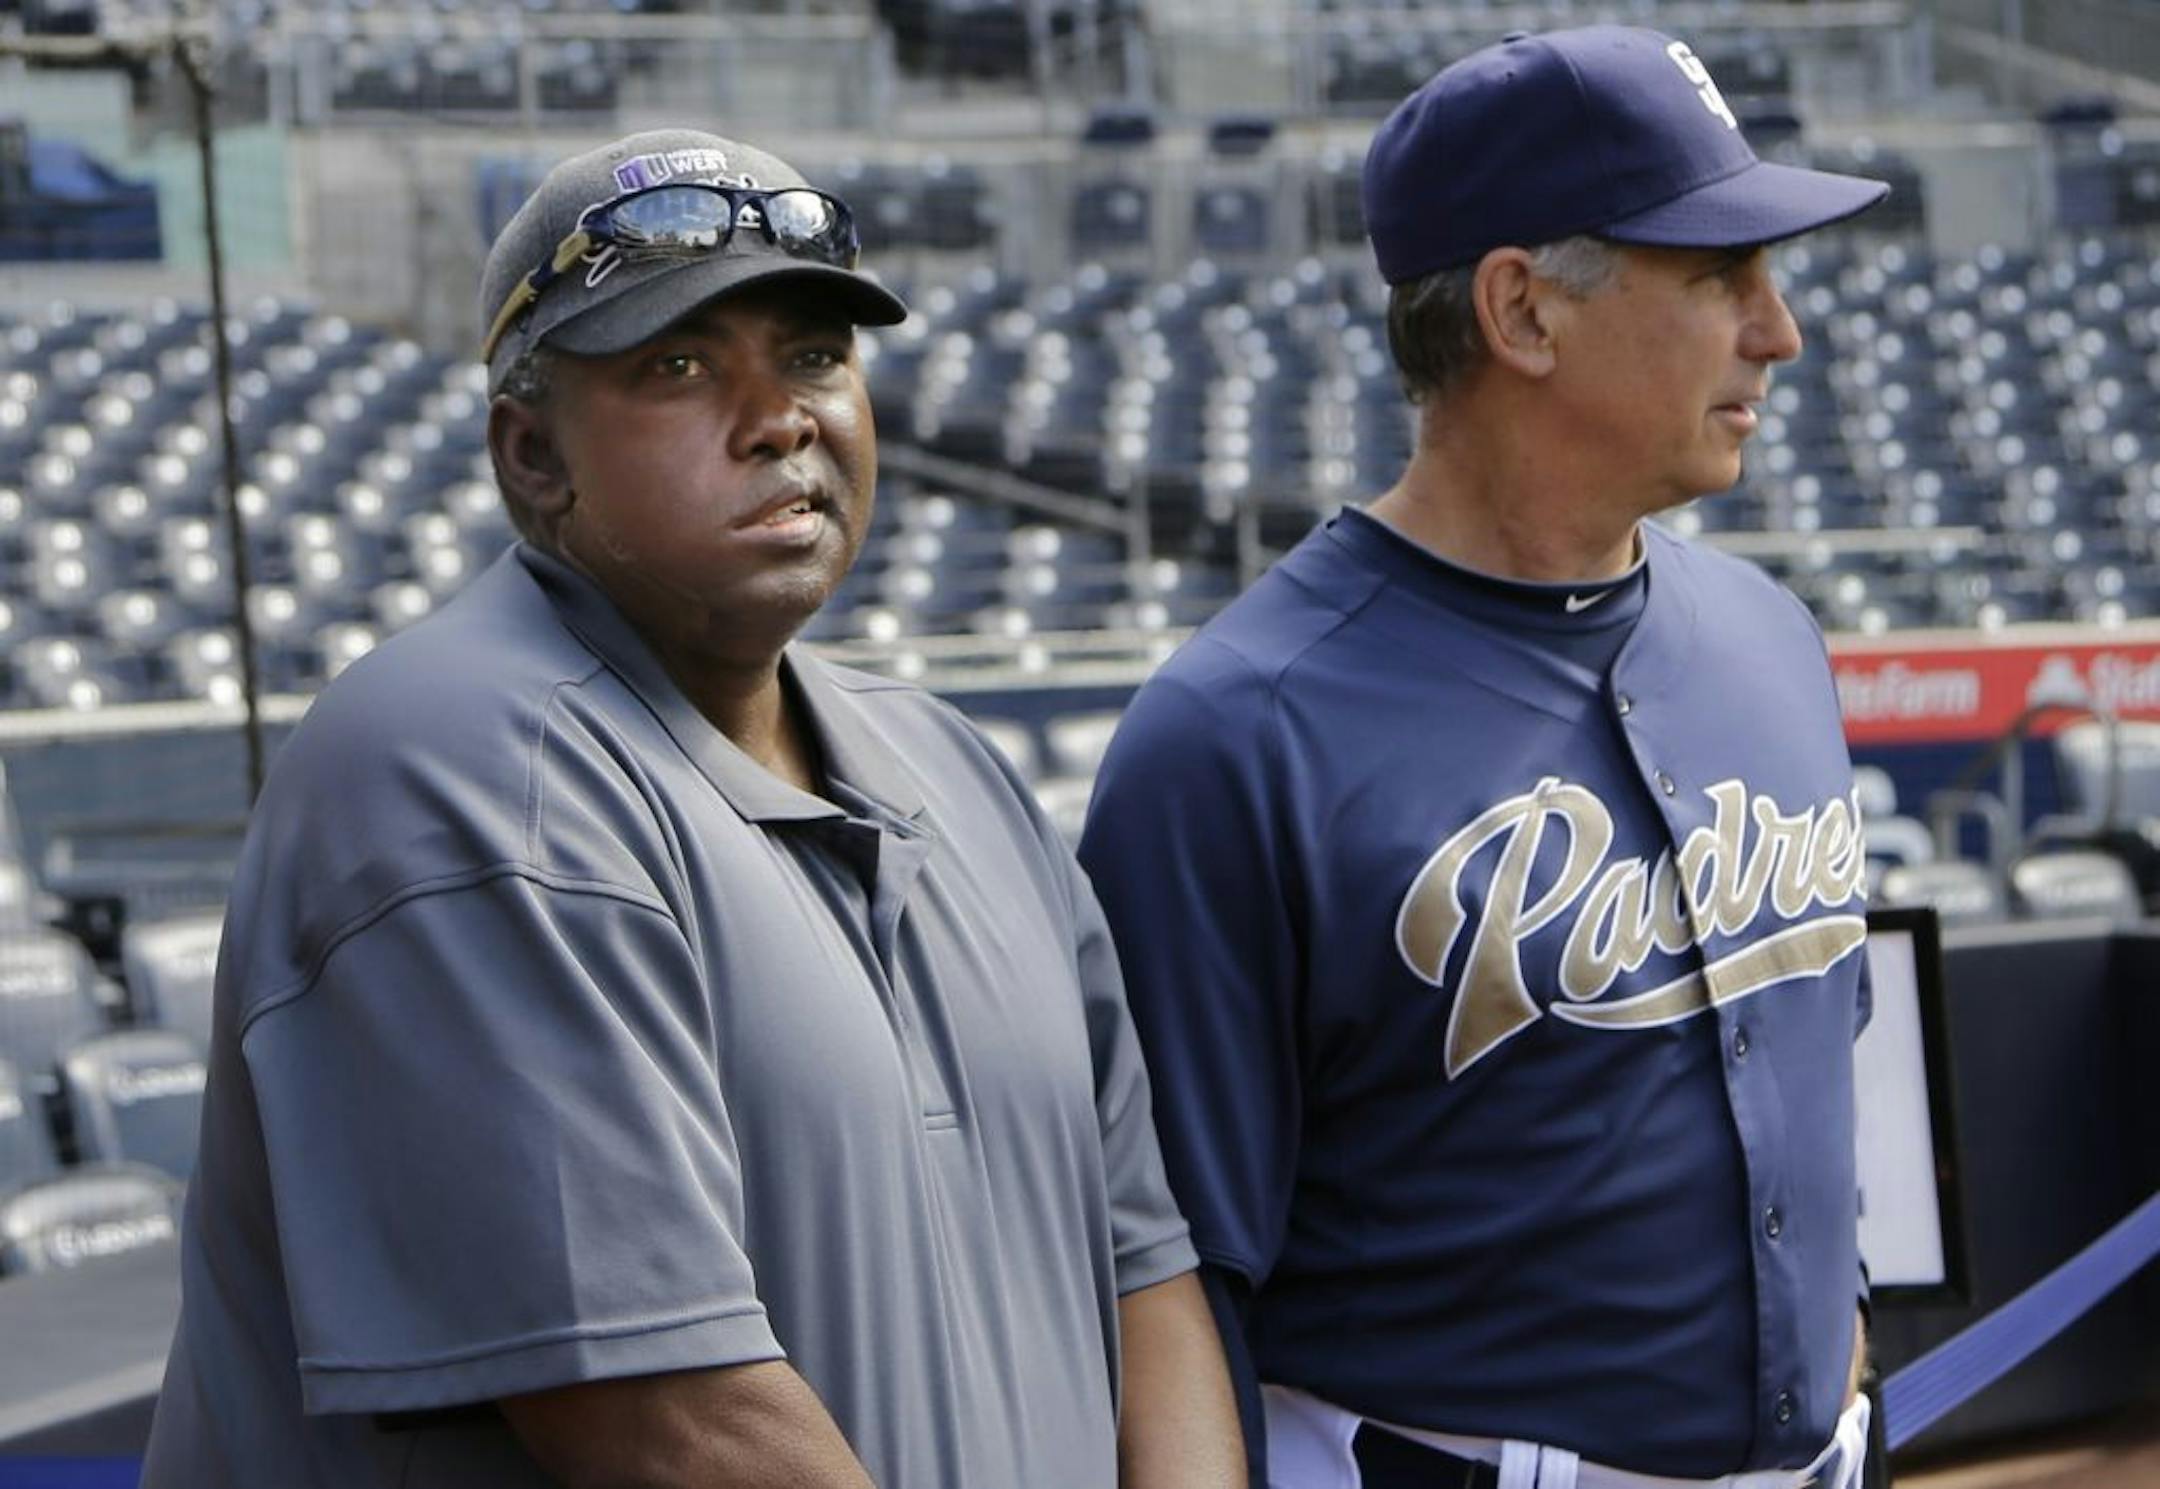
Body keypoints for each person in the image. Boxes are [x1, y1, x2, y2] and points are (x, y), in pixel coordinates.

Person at [142, 128, 1242, 1489]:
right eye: (677, 365)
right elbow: (672, 1422)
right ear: (532, 456)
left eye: (814, 355)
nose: (780, 414)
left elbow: (1144, 1275)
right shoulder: (452, 770)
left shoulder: (959, 771)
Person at [1079, 28, 1888, 1489]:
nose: (1780, 331)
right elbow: (1168, 1271)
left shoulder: (1772, 635)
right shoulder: (1234, 738)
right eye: (1719, 276)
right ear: (1523, 309)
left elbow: (1817, 1077)